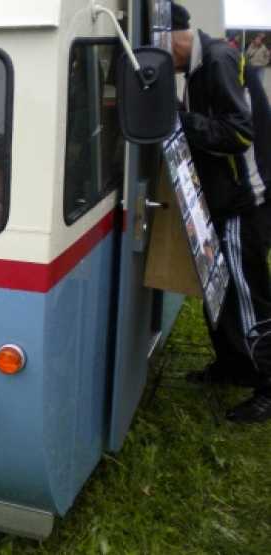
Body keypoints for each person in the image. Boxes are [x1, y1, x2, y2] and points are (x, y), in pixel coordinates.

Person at [171, 2, 271, 423]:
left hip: (243, 203)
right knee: (222, 290)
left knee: (248, 295)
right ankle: (234, 365)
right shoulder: (198, 67)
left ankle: (268, 386)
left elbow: (238, 133)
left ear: (169, 40)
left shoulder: (217, 61)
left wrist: (180, 120)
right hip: (223, 199)